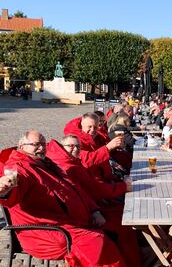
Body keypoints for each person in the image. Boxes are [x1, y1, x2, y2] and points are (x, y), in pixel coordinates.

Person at [0, 131, 124, 266]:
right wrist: (6, 190)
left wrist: (94, 210)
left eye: (43, 144)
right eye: (35, 144)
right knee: (97, 242)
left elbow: (76, 189)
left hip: (71, 221)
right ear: (22, 147)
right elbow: (16, 184)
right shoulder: (18, 166)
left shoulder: (47, 164)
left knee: (117, 225)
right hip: (47, 232)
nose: (41, 148)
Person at [46, 135, 141, 267]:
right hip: (82, 218)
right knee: (123, 223)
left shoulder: (71, 162)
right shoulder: (68, 167)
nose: (75, 149)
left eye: (78, 146)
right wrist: (123, 187)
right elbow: (94, 189)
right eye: (70, 146)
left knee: (124, 213)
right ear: (62, 148)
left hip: (92, 206)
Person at [64, 112, 124, 182]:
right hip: (92, 182)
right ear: (82, 125)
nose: (92, 130)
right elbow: (87, 161)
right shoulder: (74, 140)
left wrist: (116, 146)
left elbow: (103, 159)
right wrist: (108, 148)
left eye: (95, 127)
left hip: (105, 178)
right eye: (89, 126)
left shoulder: (97, 137)